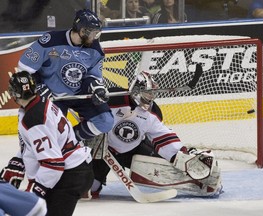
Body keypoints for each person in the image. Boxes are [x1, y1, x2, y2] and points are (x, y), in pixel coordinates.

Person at [83, 71, 221, 199]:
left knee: (163, 167)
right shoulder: (113, 98)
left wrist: (182, 153)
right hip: (102, 148)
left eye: (152, 95)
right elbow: (86, 111)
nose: (149, 99)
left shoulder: (153, 113)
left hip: (133, 150)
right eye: (147, 94)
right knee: (90, 189)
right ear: (136, 90)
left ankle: (200, 183)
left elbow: (163, 137)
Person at [1, 71, 94, 216]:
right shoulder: (37, 104)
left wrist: (34, 191)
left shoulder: (34, 119)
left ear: (14, 93)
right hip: (72, 171)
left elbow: (54, 164)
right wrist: (18, 161)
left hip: (70, 176)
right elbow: (34, 144)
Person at [17, 9, 114, 143]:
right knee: (51, 135)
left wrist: (96, 88)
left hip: (79, 94)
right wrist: (37, 86)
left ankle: (70, 142)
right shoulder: (50, 41)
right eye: (93, 33)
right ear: (82, 30)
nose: (95, 37)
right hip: (52, 97)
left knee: (105, 121)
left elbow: (93, 75)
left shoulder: (95, 48)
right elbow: (24, 68)